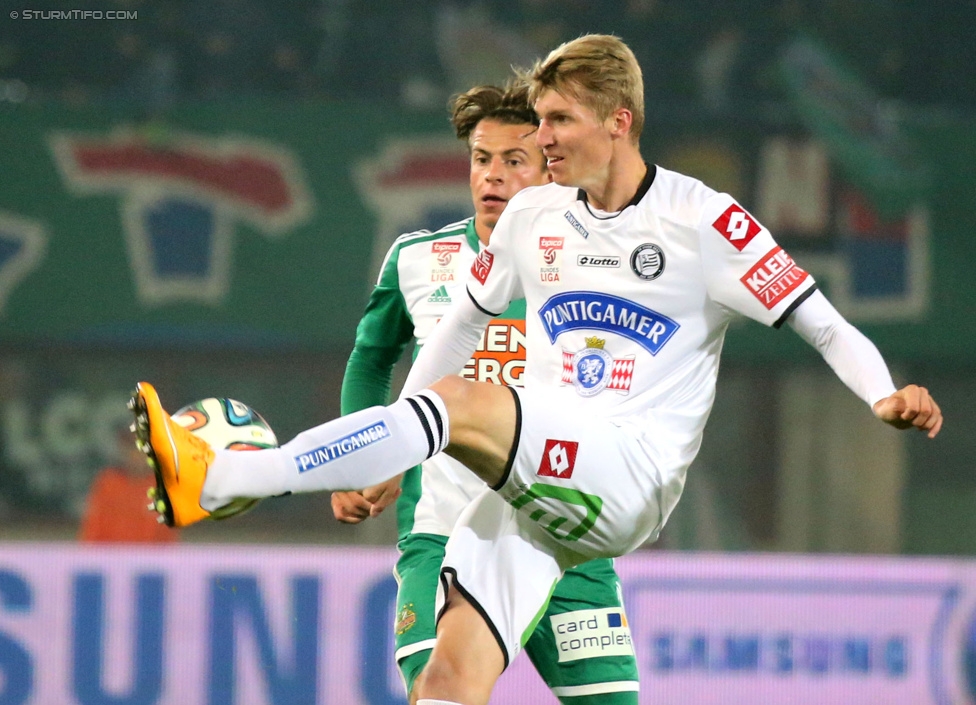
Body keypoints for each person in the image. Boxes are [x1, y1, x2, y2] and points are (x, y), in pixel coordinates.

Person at [131, 34, 943, 705]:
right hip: (535, 497)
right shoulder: (533, 217)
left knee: (470, 404)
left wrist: (883, 393)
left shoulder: (706, 222)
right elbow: (450, 336)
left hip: (630, 473)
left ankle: (229, 477)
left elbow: (825, 325)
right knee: (448, 682)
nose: (542, 137)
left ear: (619, 123)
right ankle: (230, 480)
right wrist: (395, 446)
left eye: (559, 119)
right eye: (540, 119)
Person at [331, 82, 639, 703]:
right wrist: (362, 452)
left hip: (564, 539)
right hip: (441, 533)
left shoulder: (596, 262)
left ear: (551, 168)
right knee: (439, 695)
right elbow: (371, 359)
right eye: (481, 158)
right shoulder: (419, 258)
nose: (491, 177)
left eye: (513, 161)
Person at [79, 424, 179, 543]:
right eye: (132, 448)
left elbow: (167, 539)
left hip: (150, 560)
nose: (137, 454)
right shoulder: (108, 483)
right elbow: (93, 529)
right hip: (109, 558)